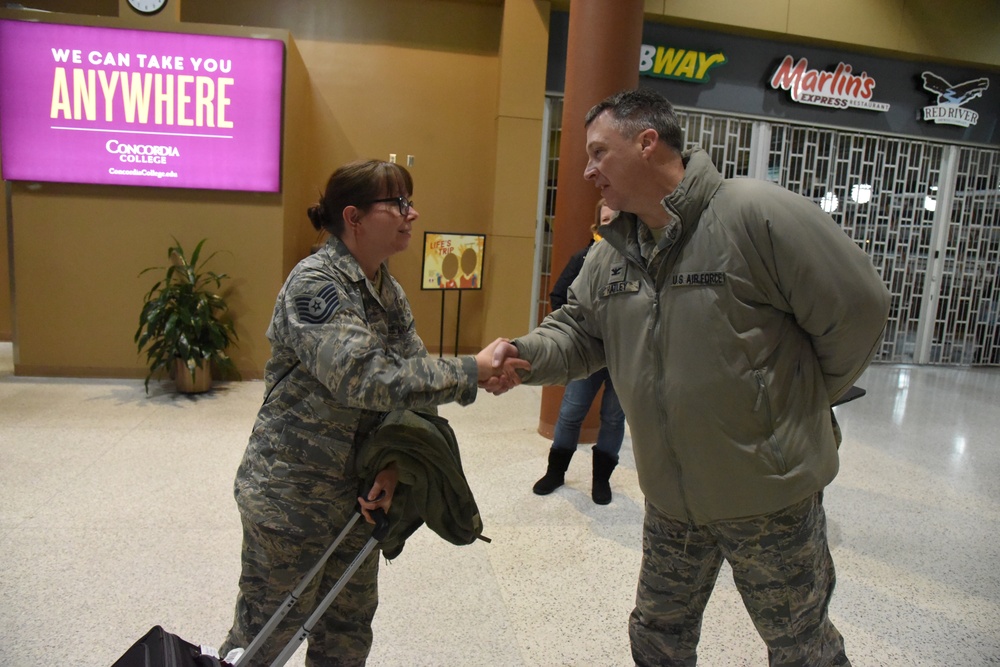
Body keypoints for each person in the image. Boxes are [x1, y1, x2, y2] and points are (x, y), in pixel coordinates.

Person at [488, 89, 890, 666]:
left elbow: (858, 309)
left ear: (647, 142)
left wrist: (799, 401)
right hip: (672, 500)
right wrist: (519, 356)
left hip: (768, 495)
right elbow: (579, 332)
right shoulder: (613, 252)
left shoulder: (752, 214)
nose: (587, 170)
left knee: (803, 649)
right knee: (656, 640)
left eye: (599, 152)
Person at [220, 159, 522, 666]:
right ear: (354, 217)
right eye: (398, 203)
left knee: (346, 632)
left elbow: (404, 390)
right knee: (265, 637)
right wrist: (472, 369)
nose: (413, 213)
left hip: (357, 498)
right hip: (293, 498)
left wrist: (389, 464)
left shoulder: (386, 289)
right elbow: (368, 377)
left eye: (410, 201)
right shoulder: (316, 284)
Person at [533, 198, 626, 504]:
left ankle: (601, 481)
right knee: (571, 412)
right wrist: (578, 332)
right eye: (606, 220)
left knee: (613, 418)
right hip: (589, 353)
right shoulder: (583, 258)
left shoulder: (636, 261)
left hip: (624, 358)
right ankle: (555, 474)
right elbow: (559, 295)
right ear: (597, 225)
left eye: (616, 219)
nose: (611, 226)